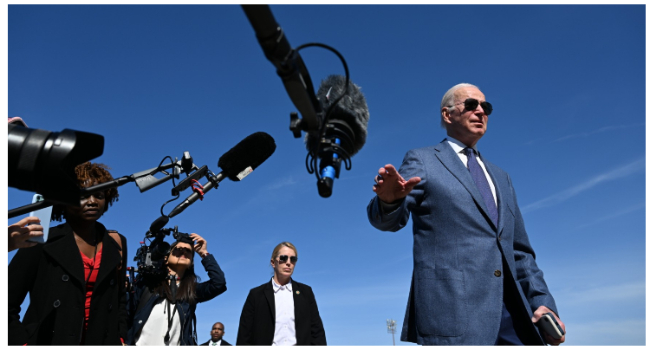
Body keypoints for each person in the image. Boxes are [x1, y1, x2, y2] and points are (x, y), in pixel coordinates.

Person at [367, 83, 566, 346]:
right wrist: (389, 201)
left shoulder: (501, 177)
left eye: (486, 107)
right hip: (454, 316)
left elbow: (520, 252)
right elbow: (389, 220)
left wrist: (542, 302)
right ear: (447, 115)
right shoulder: (424, 159)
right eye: (471, 105)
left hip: (515, 318)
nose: (481, 111)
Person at [8, 162, 127, 345]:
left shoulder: (117, 243)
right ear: (64, 200)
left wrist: (120, 338)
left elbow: (119, 301)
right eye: (84, 195)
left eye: (99, 195)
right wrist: (21, 343)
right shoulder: (40, 241)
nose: (93, 201)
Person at [127, 233, 227, 345]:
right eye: (178, 249)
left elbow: (219, 283)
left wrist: (204, 253)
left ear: (191, 263)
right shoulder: (147, 284)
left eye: (189, 251)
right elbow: (126, 314)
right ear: (165, 258)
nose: (184, 251)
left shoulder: (191, 290)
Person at [236, 242, 326, 345]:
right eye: (283, 258)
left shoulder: (306, 292)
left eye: (293, 259)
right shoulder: (256, 295)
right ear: (273, 262)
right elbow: (244, 335)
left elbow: (317, 332)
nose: (288, 263)